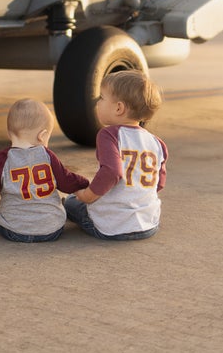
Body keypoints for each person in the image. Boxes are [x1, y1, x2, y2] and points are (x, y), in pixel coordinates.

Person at [64, 69, 167, 241]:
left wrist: (89, 195)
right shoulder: (157, 142)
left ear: (119, 108)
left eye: (102, 98)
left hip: (110, 226)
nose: (97, 102)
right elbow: (159, 183)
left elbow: (112, 171)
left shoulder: (109, 134)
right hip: (148, 224)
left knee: (71, 202)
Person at [0, 98, 90, 242]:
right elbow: (66, 181)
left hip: (14, 230)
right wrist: (85, 183)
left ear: (9, 132)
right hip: (52, 229)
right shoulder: (47, 155)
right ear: (41, 136)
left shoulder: (1, 160)